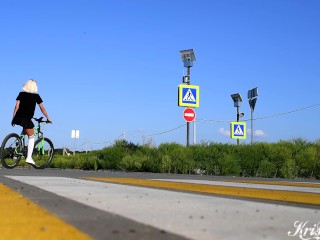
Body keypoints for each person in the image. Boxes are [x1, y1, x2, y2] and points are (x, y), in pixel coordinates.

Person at [12, 79, 52, 165]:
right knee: (31, 137)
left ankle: (19, 145)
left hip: (18, 117)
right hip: (26, 119)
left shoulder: (21, 94)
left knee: (25, 130)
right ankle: (29, 157)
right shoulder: (36, 96)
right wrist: (48, 118)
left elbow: (16, 107)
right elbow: (42, 108)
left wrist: (13, 118)